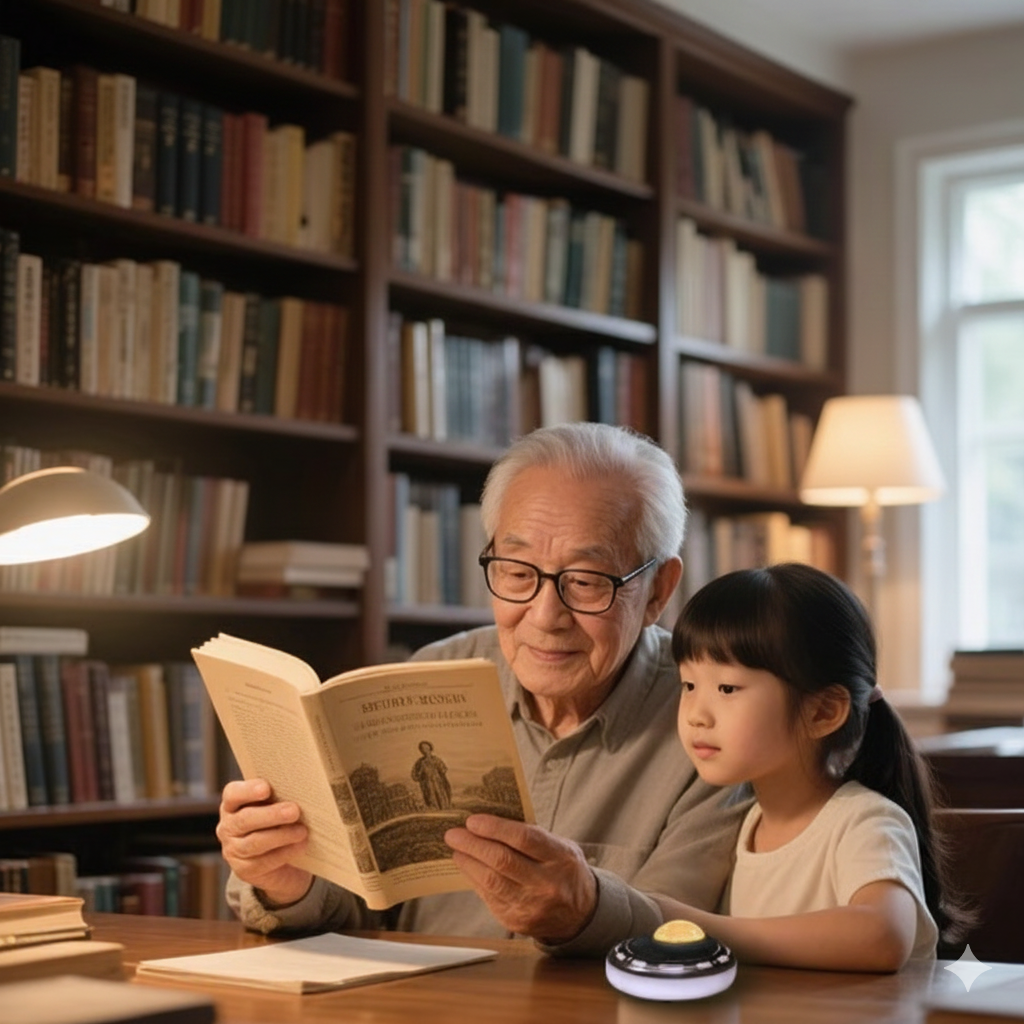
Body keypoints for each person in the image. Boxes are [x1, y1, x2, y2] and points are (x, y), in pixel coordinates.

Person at [218, 422, 747, 955]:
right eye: (517, 573)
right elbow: (361, 906)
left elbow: (685, 938)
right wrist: (289, 881)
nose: (545, 616)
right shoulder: (434, 676)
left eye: (586, 582)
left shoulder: (713, 721)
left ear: (658, 589)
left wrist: (586, 910)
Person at [656, 562, 973, 971]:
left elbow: (883, 936)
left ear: (823, 711)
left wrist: (706, 930)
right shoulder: (747, 822)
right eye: (689, 685)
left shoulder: (864, 821)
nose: (697, 714)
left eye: (727, 688)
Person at [411, 741, 452, 810]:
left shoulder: (436, 760)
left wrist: (439, 773)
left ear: (430, 749)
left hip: (438, 783)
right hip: (427, 785)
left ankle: (445, 810)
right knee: (431, 799)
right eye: (422, 749)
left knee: (441, 797)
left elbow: (443, 769)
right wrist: (421, 773)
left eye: (426, 748)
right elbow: (414, 775)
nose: (425, 750)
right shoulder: (419, 762)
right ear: (421, 751)